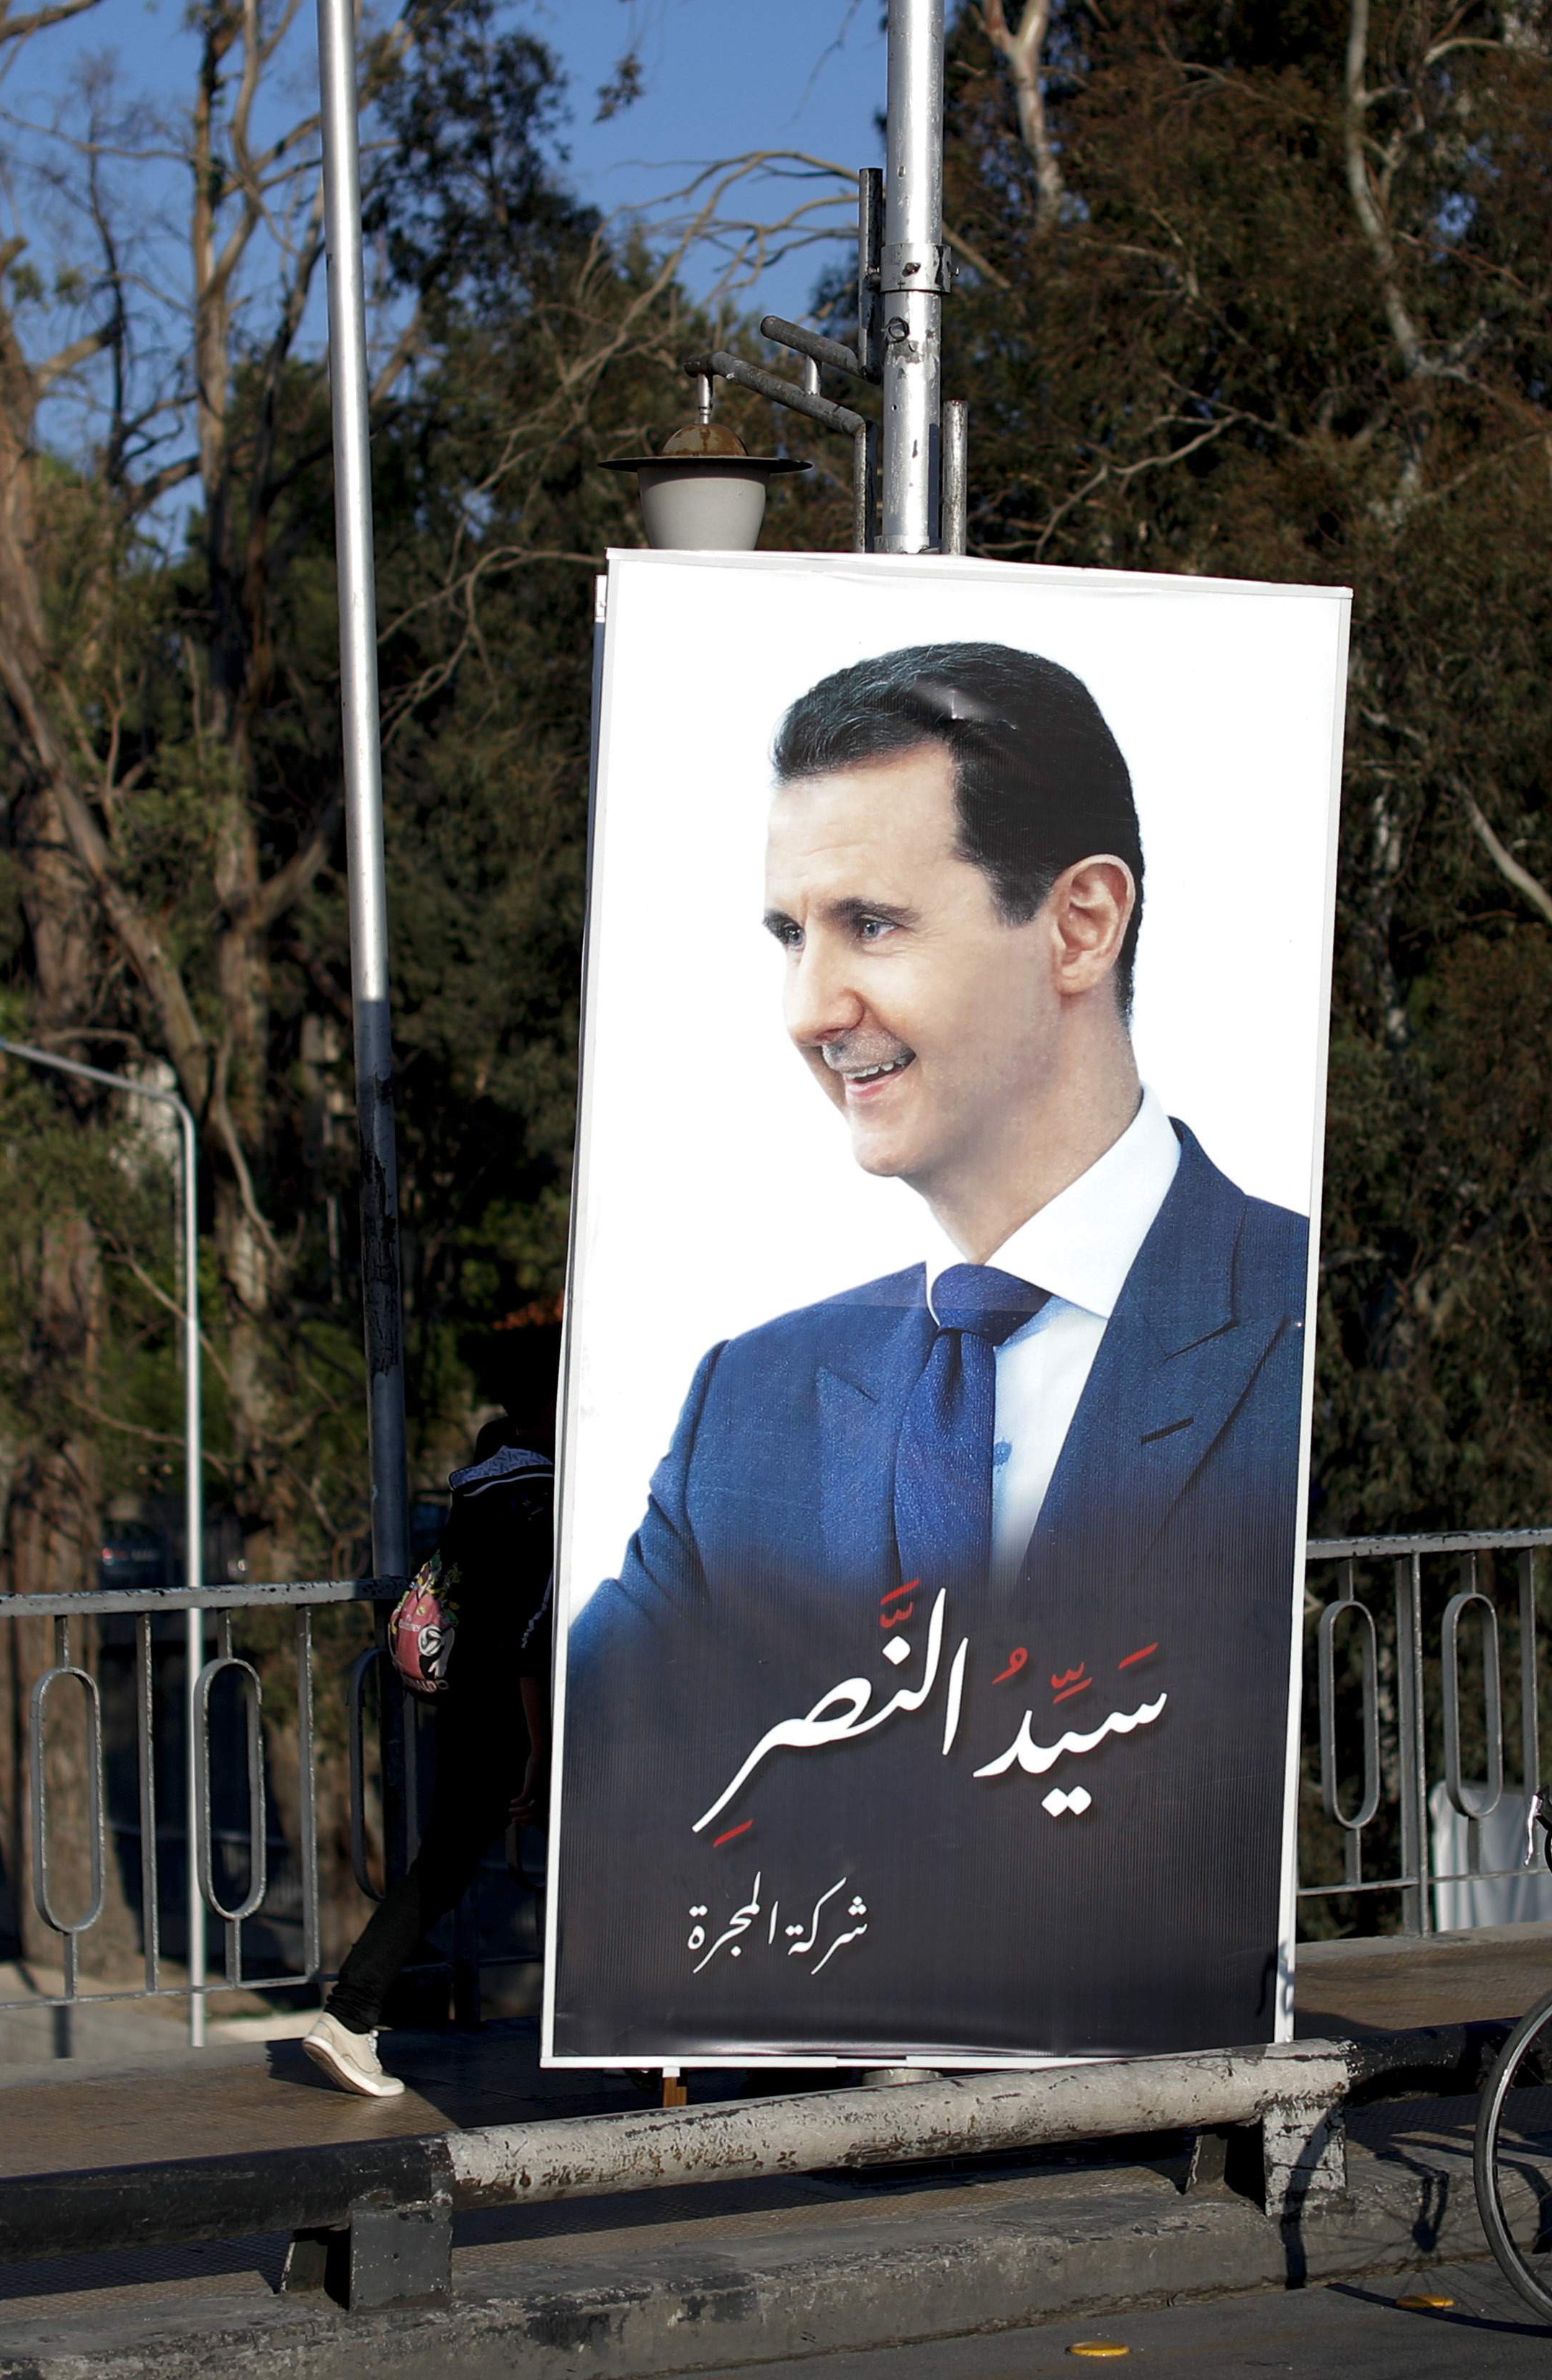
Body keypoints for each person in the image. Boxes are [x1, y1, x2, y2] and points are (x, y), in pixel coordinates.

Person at [558, 643, 1311, 2062]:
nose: (806, 1007)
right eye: (790, 934)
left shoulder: (1292, 1319)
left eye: (872, 924)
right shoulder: (754, 1407)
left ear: (1080, 927)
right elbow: (601, 1758)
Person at [302, 1421, 555, 2100]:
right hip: (525, 1717)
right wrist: (539, 1750)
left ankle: (351, 2014)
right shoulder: (542, 1507)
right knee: (590, 1863)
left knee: (440, 1866)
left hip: (468, 1710)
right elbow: (531, 1639)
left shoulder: (471, 1508)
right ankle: (619, 2029)